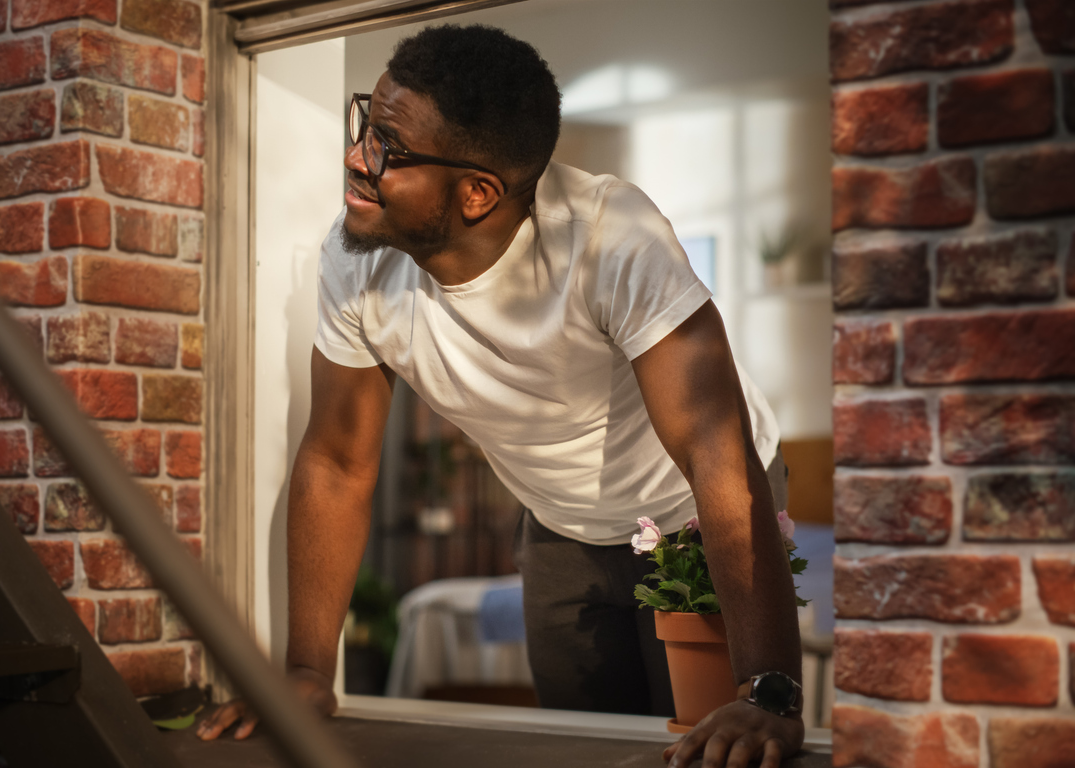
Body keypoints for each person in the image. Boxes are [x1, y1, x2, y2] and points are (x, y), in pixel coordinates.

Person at [196, 24, 805, 768]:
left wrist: (769, 688)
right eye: (365, 125)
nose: (355, 159)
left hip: (695, 514)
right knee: (587, 748)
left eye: (387, 146)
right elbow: (335, 463)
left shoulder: (609, 236)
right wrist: (304, 673)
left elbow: (714, 449)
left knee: (719, 748)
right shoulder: (357, 258)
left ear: (478, 193)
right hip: (557, 524)